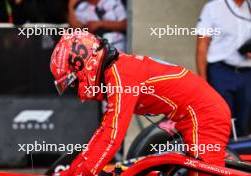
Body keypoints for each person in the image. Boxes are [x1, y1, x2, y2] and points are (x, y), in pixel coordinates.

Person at [50, 32, 231, 176]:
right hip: (193, 115)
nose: (75, 88)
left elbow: (112, 136)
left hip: (205, 114)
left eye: (73, 83)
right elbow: (104, 132)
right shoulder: (118, 70)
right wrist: (72, 171)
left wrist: (84, 173)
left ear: (84, 67)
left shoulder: (120, 76)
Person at [196, 0, 251, 137]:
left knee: (244, 122)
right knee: (222, 119)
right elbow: (202, 46)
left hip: (247, 74)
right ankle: (221, 155)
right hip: (221, 72)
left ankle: (239, 156)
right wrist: (203, 80)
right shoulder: (213, 8)